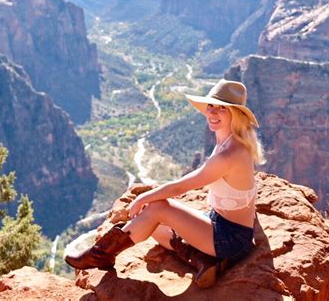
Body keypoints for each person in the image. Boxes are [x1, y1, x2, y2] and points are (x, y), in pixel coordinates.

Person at [65, 79, 265, 288]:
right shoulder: (232, 138)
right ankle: (201, 260)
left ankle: (100, 255)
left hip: (230, 239)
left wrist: (144, 197)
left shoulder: (229, 154)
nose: (212, 113)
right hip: (221, 224)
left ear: (236, 113)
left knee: (157, 208)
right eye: (211, 106)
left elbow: (181, 187)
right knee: (151, 224)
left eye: (222, 108)